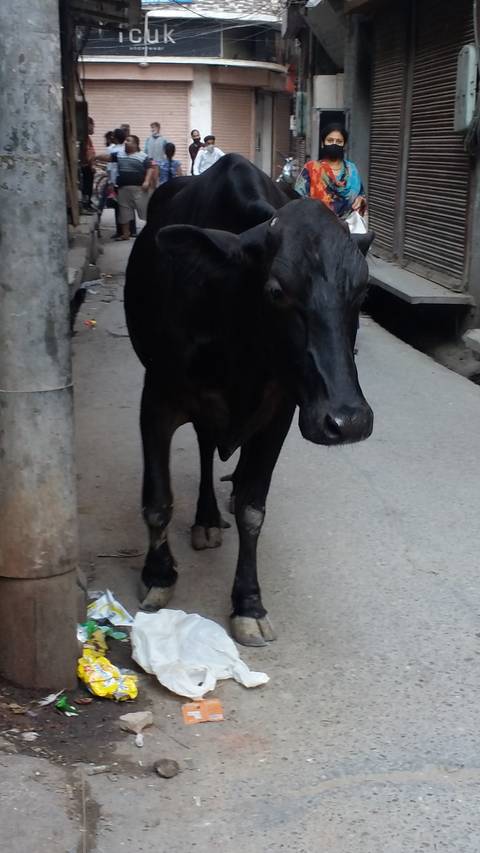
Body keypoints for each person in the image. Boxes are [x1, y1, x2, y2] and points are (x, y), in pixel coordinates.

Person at [295, 123, 366, 219]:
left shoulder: (352, 170)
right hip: (317, 229)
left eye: (339, 141)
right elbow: (297, 200)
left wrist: (361, 200)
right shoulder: (311, 169)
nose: (334, 144)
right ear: (322, 143)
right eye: (330, 140)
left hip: (348, 229)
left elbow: (361, 195)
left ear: (344, 145)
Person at [116, 134, 157, 240]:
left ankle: (150, 233)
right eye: (125, 140)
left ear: (135, 144)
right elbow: (108, 157)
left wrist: (147, 181)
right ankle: (126, 234)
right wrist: (95, 157)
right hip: (123, 189)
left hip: (140, 189)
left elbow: (150, 168)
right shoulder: (120, 154)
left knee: (146, 211)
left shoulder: (143, 156)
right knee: (124, 212)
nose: (125, 142)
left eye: (128, 141)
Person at [80, 116, 96, 211]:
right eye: (92, 125)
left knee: (88, 186)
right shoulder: (84, 139)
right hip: (86, 166)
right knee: (86, 186)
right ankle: (86, 203)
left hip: (87, 165)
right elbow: (88, 154)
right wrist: (92, 164)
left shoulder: (87, 138)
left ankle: (87, 202)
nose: (93, 128)